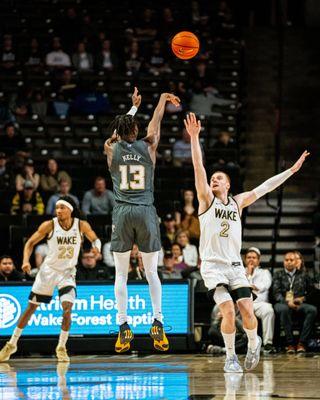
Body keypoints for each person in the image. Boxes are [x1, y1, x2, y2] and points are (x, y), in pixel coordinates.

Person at [184, 111, 309, 372]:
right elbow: (198, 167)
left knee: (248, 311)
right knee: (228, 311)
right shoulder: (206, 200)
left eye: (219, 178)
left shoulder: (237, 202)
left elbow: (265, 187)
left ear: (228, 185)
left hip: (234, 266)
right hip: (212, 267)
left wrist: (291, 170)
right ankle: (230, 356)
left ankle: (254, 343)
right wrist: (195, 138)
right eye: (213, 178)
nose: (214, 179)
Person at [104, 87, 180, 353]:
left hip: (123, 212)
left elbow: (115, 132)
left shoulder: (111, 148)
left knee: (121, 275)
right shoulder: (149, 146)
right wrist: (160, 100)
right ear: (135, 131)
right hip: (145, 211)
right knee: (151, 273)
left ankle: (123, 325)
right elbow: (156, 122)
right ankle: (157, 320)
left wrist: (132, 108)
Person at [0, 196, 101, 362]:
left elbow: (94, 238)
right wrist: (26, 260)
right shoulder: (50, 225)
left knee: (67, 308)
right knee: (31, 308)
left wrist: (96, 248)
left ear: (70, 210)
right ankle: (12, 343)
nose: (58, 211)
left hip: (67, 272)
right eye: (56, 208)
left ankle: (61, 346)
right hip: (48, 271)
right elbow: (30, 243)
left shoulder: (80, 225)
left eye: (62, 207)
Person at [273, 252, 317, 353]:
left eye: (291, 260)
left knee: (312, 310)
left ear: (296, 261)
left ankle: (302, 343)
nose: (289, 262)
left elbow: (312, 292)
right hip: (282, 303)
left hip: (299, 303)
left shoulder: (304, 275)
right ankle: (290, 344)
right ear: (283, 262)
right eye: (286, 260)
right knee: (283, 309)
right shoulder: (278, 274)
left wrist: (302, 299)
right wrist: (287, 302)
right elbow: (276, 293)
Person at [244, 247, 275, 353]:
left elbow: (265, 285)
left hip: (259, 303)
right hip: (243, 304)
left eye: (254, 257)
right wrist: (247, 275)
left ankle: (268, 343)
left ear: (258, 260)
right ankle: (242, 343)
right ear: (245, 260)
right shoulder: (241, 273)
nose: (251, 260)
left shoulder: (264, 272)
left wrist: (251, 285)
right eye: (248, 257)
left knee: (268, 310)